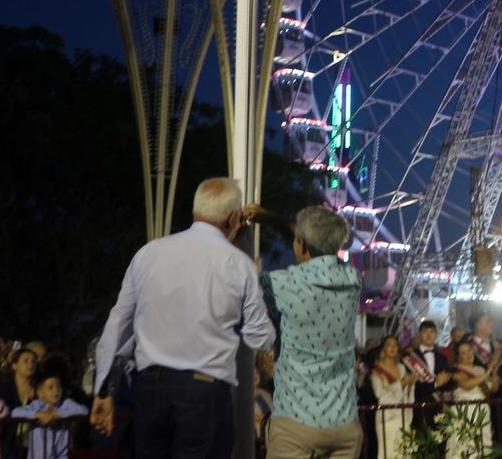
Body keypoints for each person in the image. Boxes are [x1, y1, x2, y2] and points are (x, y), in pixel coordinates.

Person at [90, 178, 276, 459]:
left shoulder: (148, 253)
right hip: (204, 393)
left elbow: (117, 326)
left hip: (150, 390)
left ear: (196, 210)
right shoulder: (239, 265)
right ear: (233, 218)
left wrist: (104, 388)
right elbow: (261, 337)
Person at [249, 204, 361, 459]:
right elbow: (317, 242)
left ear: (300, 243)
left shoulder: (280, 283)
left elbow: (242, 285)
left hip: (295, 424)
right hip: (343, 424)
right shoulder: (352, 279)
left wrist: (268, 218)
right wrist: (276, 219)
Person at [12, 374, 89, 459]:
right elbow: (15, 412)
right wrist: (38, 414)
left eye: (58, 387)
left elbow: (84, 410)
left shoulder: (65, 404)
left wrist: (57, 414)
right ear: (40, 393)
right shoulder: (36, 405)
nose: (56, 390)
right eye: (50, 387)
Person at [441, 341, 491, 459]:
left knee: (483, 445)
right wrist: (488, 372)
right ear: (458, 357)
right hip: (464, 412)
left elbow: (491, 389)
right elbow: (467, 385)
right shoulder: (455, 371)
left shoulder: (480, 369)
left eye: (469, 350)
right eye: (463, 353)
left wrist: (494, 378)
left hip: (482, 410)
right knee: (463, 445)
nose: (468, 354)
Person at [367, 337, 413, 459]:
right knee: (388, 451)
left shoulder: (402, 368)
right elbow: (380, 394)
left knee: (404, 450)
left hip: (402, 415)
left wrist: (410, 383)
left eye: (395, 345)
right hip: (386, 417)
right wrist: (401, 384)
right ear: (383, 348)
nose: (392, 348)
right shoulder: (377, 370)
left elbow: (405, 393)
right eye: (389, 345)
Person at [406, 322, 452, 435]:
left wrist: (447, 379)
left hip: (438, 407)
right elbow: (412, 384)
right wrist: (436, 383)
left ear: (436, 334)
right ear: (419, 334)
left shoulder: (442, 357)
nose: (429, 335)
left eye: (432, 332)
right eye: (425, 331)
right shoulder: (410, 358)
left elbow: (447, 383)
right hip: (419, 406)